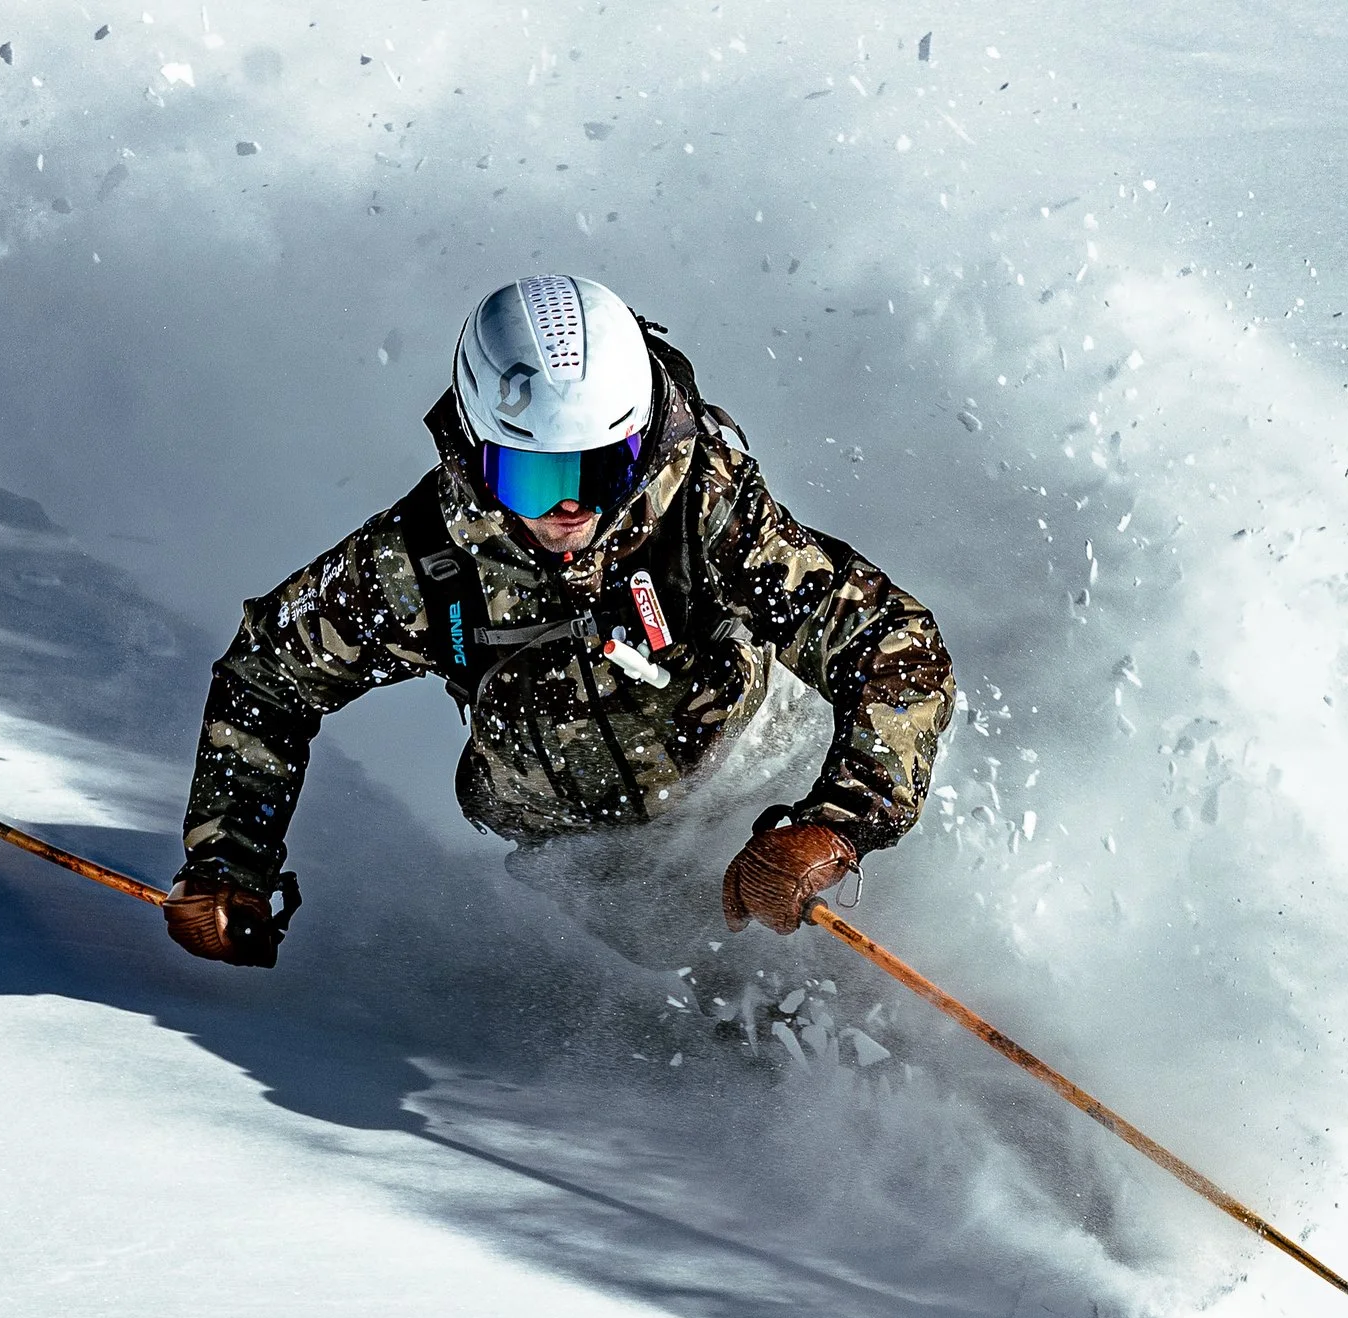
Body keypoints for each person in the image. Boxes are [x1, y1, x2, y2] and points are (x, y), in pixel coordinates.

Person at [163, 273, 954, 968]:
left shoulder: (702, 509)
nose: (572, 507)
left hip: (762, 782)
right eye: (534, 475)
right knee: (737, 1019)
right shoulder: (421, 561)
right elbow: (267, 674)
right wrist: (229, 859)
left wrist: (834, 824)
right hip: (596, 863)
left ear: (640, 446)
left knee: (874, 966)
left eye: (601, 468)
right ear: (475, 451)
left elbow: (891, 642)